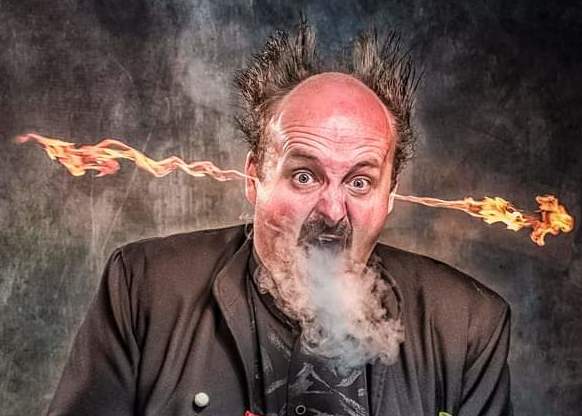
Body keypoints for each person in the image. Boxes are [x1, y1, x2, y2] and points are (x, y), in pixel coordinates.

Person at [47, 20, 512, 416]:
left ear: (389, 195)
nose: (332, 211)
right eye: (305, 176)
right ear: (255, 177)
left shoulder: (469, 325)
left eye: (359, 182)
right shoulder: (144, 287)